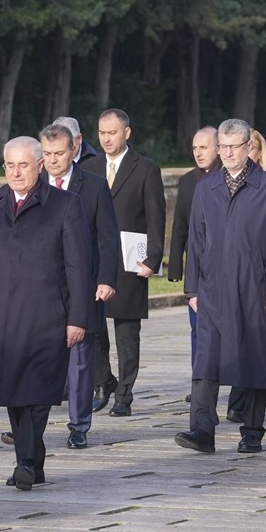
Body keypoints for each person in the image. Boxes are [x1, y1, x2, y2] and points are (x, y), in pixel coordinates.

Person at [0, 136, 93, 489]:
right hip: (2, 319)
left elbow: (79, 266)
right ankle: (33, 462)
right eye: (10, 165)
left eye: (24, 165)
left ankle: (26, 463)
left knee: (39, 392)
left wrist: (79, 318)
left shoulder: (65, 205)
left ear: (40, 165)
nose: (16, 172)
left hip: (49, 317)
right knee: (11, 392)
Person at [176, 119, 266, 455]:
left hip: (256, 289)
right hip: (212, 289)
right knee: (206, 360)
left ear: (247, 147)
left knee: (256, 358)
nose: (227, 153)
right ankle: (201, 429)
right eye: (222, 147)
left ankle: (252, 431)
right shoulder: (206, 188)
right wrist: (193, 289)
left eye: (233, 147)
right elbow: (195, 243)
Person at [82, 108, 167, 417]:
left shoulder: (145, 169)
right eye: (102, 132)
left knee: (127, 335)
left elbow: (156, 218)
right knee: (93, 328)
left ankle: (124, 395)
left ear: (126, 133)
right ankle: (104, 381)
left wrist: (153, 258)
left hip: (131, 260)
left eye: (112, 132)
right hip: (96, 260)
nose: (106, 138)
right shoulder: (89, 167)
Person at [41, 123, 118, 448]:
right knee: (37, 357)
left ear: (73, 150)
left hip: (84, 284)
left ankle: (78, 426)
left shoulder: (94, 186)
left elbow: (108, 236)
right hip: (42, 286)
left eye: (59, 153)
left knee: (81, 357)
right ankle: (29, 424)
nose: (53, 160)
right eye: (46, 154)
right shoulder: (33, 184)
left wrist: (106, 280)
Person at [167, 126, 221, 383]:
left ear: (218, 148)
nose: (198, 153)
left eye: (204, 147)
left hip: (226, 265)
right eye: (195, 148)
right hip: (198, 268)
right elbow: (180, 226)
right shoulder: (188, 181)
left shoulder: (228, 176)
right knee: (197, 327)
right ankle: (199, 378)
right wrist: (176, 268)